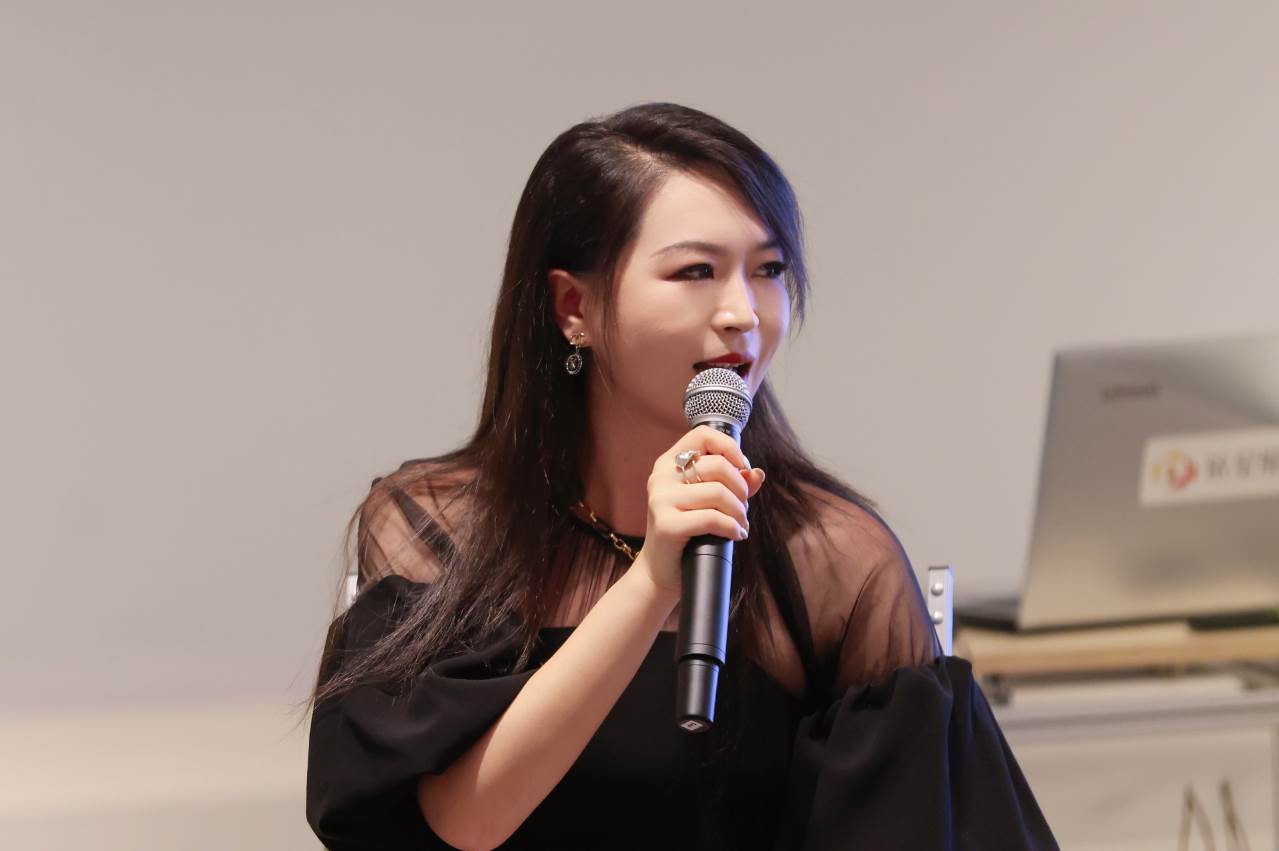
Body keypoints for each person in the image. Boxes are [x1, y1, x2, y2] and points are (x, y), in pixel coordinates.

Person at [304, 102, 1057, 850]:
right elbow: (464, 822)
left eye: (767, 271)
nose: (743, 313)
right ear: (573, 306)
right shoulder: (436, 525)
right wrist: (652, 582)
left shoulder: (835, 561)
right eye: (696, 271)